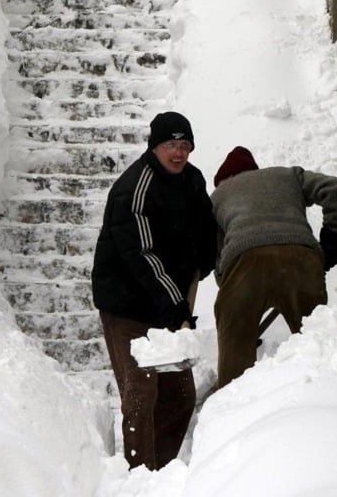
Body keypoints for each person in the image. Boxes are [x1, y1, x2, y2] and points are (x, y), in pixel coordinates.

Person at [91, 112, 217, 471]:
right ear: (154, 147)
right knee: (141, 391)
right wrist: (177, 306)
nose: (178, 153)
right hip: (127, 305)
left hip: (166, 305)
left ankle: (158, 472)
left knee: (180, 395)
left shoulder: (192, 180)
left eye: (184, 146)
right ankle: (136, 476)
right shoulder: (136, 188)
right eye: (170, 145)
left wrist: (204, 262)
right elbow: (143, 256)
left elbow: (206, 230)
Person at [210, 146, 337, 389]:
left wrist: (240, 305)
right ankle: (326, 393)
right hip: (301, 257)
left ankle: (231, 404)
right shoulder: (288, 176)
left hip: (245, 260)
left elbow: (218, 258)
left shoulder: (218, 196)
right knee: (316, 339)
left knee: (234, 347)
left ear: (226, 178)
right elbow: (334, 189)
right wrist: (332, 237)